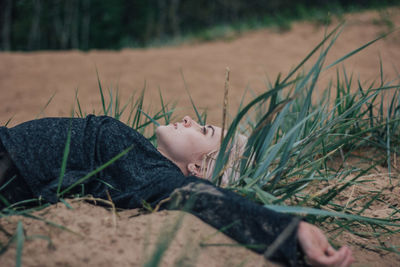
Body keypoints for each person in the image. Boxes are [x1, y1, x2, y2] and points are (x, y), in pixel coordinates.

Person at [0, 115, 353, 267]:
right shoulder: (142, 161)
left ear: (199, 169)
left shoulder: (155, 175)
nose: (187, 119)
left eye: (202, 129)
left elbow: (203, 199)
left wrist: (293, 232)